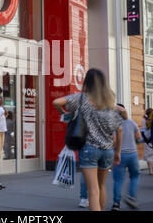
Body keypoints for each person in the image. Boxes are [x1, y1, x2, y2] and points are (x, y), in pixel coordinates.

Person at [53, 68, 123, 211]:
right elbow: (119, 129)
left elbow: (56, 102)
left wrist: (65, 113)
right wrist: (118, 151)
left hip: (89, 149)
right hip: (108, 150)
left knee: (93, 191)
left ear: (87, 82)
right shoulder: (110, 101)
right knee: (101, 186)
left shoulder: (81, 98)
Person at [112, 104, 141, 211]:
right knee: (135, 176)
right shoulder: (131, 122)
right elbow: (139, 137)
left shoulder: (113, 124)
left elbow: (114, 141)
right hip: (133, 154)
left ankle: (116, 204)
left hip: (120, 155)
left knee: (118, 180)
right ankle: (132, 197)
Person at [142, 108, 153, 175]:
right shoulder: (150, 120)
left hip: (146, 138)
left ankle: (150, 170)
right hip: (151, 137)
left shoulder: (144, 119)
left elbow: (143, 129)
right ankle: (151, 169)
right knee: (152, 154)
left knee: (149, 155)